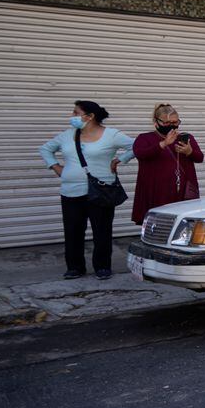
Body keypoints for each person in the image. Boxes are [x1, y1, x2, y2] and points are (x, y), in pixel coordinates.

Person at [38, 100, 135, 279]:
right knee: (73, 230)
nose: (72, 116)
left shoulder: (111, 135)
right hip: (70, 191)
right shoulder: (68, 135)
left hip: (101, 190)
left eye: (76, 113)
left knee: (102, 231)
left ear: (90, 117)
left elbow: (136, 146)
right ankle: (75, 267)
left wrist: (120, 160)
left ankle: (102, 267)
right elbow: (45, 149)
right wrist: (56, 167)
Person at [131, 103, 205, 225]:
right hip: (156, 190)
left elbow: (200, 158)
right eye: (167, 123)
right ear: (156, 122)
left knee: (184, 224)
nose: (171, 126)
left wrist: (189, 151)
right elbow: (140, 153)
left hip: (182, 190)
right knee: (158, 223)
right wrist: (163, 144)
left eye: (175, 122)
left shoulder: (186, 138)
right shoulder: (145, 138)